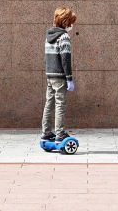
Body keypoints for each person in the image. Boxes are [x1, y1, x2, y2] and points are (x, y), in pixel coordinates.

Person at [41, 7, 76, 143]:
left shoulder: (49, 36)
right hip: (60, 76)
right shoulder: (64, 36)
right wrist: (69, 79)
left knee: (49, 103)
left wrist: (49, 73)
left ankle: (46, 132)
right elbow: (65, 59)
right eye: (71, 22)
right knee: (60, 104)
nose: (72, 25)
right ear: (66, 22)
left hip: (50, 75)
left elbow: (46, 58)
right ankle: (60, 133)